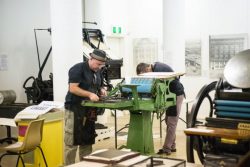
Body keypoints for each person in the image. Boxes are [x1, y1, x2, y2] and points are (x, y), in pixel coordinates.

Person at [64, 49, 108, 165]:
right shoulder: (77, 69)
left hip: (89, 110)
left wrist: (101, 90)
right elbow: (73, 88)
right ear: (91, 59)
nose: (99, 67)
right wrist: (89, 94)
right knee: (72, 142)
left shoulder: (97, 71)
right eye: (98, 64)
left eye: (101, 65)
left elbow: (99, 84)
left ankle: (86, 164)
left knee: (87, 140)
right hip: (75, 109)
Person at [136, 62, 185, 155]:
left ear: (147, 70)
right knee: (168, 121)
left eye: (145, 75)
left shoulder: (158, 69)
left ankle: (167, 148)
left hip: (176, 94)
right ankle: (172, 145)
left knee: (172, 122)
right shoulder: (156, 68)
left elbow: (160, 86)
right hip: (170, 95)